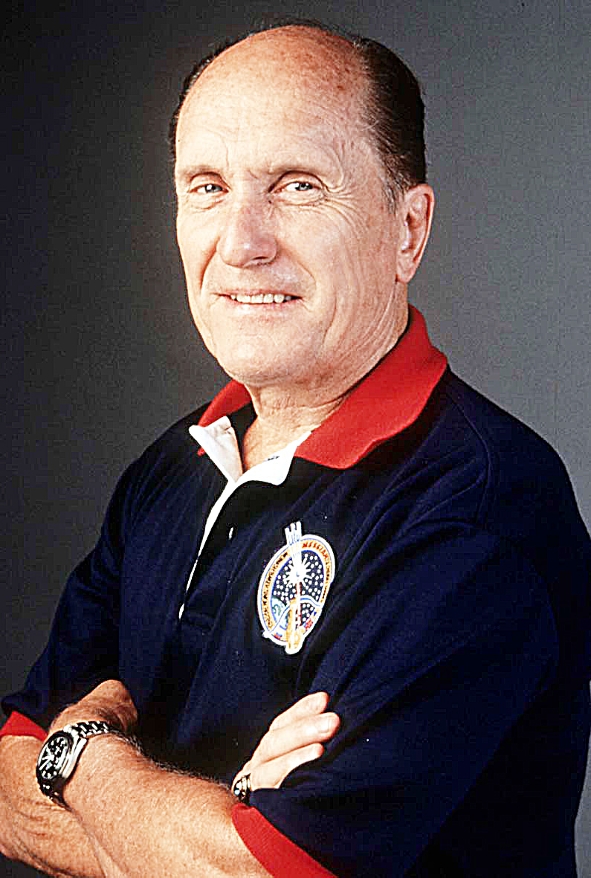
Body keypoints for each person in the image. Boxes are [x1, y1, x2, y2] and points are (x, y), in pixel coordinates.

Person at [1, 20, 590, 878]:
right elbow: (5, 788)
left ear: (407, 230)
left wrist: (83, 756)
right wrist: (214, 821)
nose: (241, 242)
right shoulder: (173, 468)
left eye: (297, 186)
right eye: (207, 187)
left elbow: (267, 872)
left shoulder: (476, 512)